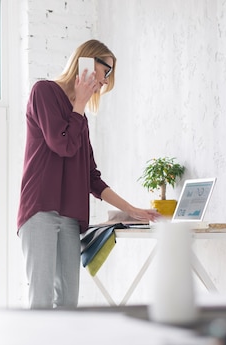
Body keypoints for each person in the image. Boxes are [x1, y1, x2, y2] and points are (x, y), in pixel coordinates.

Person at [17, 39, 161, 309]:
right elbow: (61, 143)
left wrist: (132, 209)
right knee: (41, 301)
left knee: (68, 302)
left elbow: (91, 177)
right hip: (40, 211)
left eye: (109, 75)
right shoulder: (44, 92)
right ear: (85, 60)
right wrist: (80, 104)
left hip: (70, 218)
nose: (105, 81)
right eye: (105, 70)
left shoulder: (79, 119)